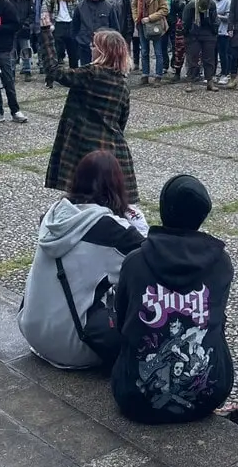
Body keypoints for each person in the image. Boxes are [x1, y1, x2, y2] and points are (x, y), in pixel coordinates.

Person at [111, 174, 238, 424]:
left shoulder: (135, 262)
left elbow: (122, 319)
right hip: (209, 395)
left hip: (134, 398)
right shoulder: (221, 264)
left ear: (164, 209)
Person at [18, 150, 148, 370]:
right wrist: (138, 223)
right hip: (73, 345)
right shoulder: (112, 231)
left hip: (32, 331)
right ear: (116, 185)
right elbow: (150, 259)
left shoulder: (54, 214)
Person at [42, 27, 137, 199]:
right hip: (114, 151)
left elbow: (54, 71)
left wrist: (46, 34)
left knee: (82, 198)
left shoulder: (91, 73)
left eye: (94, 46)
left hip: (84, 147)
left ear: (104, 52)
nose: (90, 48)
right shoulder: (122, 84)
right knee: (110, 200)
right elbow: (122, 121)